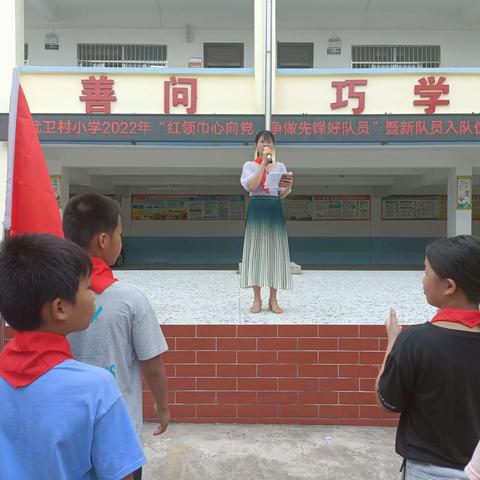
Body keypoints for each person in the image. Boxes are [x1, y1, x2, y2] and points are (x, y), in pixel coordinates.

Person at [0, 234, 145, 480]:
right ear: (60, 308)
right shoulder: (95, 387)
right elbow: (120, 475)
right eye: (86, 288)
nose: (91, 296)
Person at [63, 192, 170, 480]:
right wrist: (162, 406)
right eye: (120, 233)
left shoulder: (53, 301)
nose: (121, 240)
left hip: (66, 435)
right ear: (103, 240)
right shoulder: (130, 299)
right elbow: (152, 365)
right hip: (119, 440)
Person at [376, 235, 480, 480]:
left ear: (449, 286)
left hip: (427, 471)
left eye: (426, 272)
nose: (422, 280)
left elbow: (387, 401)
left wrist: (393, 340)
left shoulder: (416, 341)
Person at [240, 130, 294, 314]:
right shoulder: (249, 165)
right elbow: (252, 186)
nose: (266, 145)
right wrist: (263, 163)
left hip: (274, 208)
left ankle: (273, 299)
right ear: (256, 146)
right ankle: (257, 299)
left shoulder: (280, 166)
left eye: (269, 143)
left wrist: (289, 186)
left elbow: (280, 193)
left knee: (275, 254)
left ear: (274, 146)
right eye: (262, 142)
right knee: (255, 252)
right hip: (257, 208)